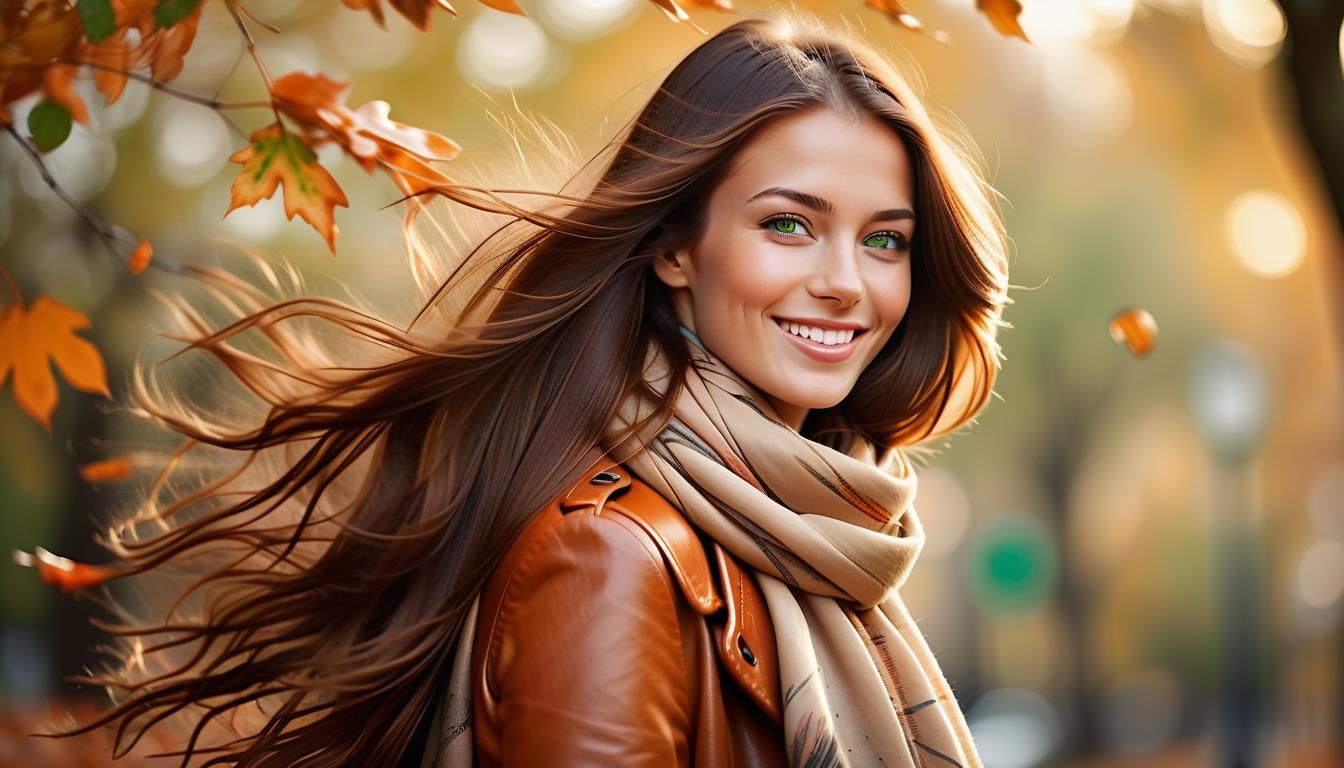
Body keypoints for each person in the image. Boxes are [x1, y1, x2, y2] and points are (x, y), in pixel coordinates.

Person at [39, 12, 1007, 768]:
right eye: (789, 225)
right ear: (675, 246)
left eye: (885, 239)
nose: (846, 280)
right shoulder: (610, 560)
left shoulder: (816, 540)